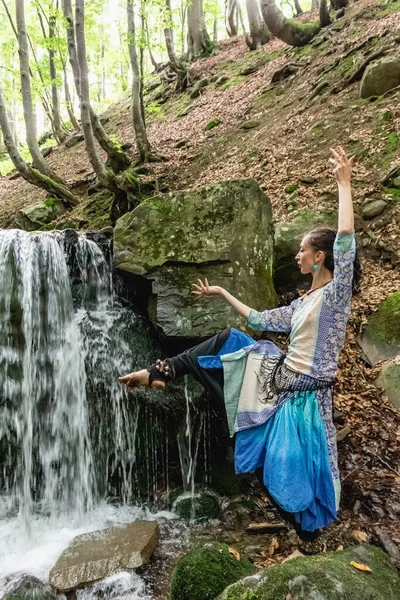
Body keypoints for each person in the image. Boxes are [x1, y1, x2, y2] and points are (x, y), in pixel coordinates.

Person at [119, 147, 361, 534]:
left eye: (302, 250)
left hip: (305, 396)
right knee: (229, 340)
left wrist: (344, 185)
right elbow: (259, 319)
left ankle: (307, 537)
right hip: (277, 383)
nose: (296, 255)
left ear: (319, 257)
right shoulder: (302, 303)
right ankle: (161, 372)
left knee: (296, 478)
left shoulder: (334, 296)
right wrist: (220, 292)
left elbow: (345, 242)